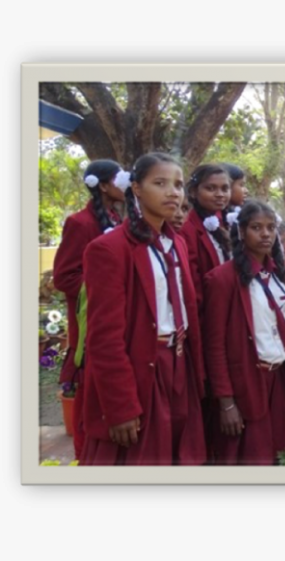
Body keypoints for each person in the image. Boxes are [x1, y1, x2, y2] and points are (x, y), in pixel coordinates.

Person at [81, 152, 206, 465]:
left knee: (180, 458)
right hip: (143, 367)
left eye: (178, 184)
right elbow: (104, 338)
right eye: (160, 183)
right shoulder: (109, 249)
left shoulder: (176, 243)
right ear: (136, 188)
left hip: (180, 365)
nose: (172, 192)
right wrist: (119, 405)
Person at [202, 200, 285, 465]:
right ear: (241, 231)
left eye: (270, 228)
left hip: (279, 378)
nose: (265, 234)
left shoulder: (280, 276)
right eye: (256, 228)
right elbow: (214, 345)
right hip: (247, 383)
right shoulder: (223, 279)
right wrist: (226, 402)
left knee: (283, 457)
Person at [53, 159, 129, 460]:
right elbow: (64, 277)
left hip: (118, 316)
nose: (126, 185)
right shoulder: (80, 223)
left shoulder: (116, 218)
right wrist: (106, 284)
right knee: (89, 396)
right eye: (120, 179)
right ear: (105, 186)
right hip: (90, 322)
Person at [179, 164, 232, 313]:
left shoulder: (225, 224)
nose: (220, 194)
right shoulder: (187, 230)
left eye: (225, 189)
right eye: (211, 188)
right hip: (209, 309)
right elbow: (192, 282)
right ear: (194, 192)